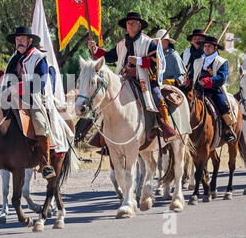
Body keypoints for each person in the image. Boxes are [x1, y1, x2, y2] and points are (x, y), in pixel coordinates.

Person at [88, 12, 177, 141]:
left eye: (133, 23)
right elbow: (109, 56)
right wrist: (95, 49)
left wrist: (139, 61)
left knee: (157, 96)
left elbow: (156, 62)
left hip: (144, 79)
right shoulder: (121, 44)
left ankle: (164, 125)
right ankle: (103, 132)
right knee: (105, 98)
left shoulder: (148, 43)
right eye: (128, 23)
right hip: (123, 78)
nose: (129, 25)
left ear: (139, 25)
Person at [0, 26, 56, 179]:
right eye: (17, 40)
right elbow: (7, 78)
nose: (19, 42)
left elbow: (41, 82)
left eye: (22, 39)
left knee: (40, 123)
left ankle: (46, 163)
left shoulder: (39, 57)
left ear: (30, 41)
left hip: (32, 100)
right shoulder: (13, 58)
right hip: (10, 99)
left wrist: (18, 88)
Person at [190, 35, 237, 143]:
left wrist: (206, 81)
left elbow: (221, 78)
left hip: (214, 90)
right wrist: (187, 82)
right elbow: (191, 76)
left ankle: (228, 129)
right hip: (197, 89)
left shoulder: (221, 61)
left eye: (209, 46)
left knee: (223, 104)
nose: (206, 48)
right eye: (205, 46)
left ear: (215, 48)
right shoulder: (197, 61)